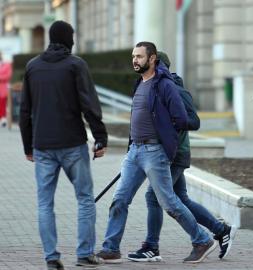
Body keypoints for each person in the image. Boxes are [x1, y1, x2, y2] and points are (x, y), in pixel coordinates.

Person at [96, 42, 216, 264]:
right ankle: (111, 248)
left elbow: (181, 119)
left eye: (139, 57)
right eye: (133, 56)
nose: (135, 60)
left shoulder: (165, 85)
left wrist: (163, 134)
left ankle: (201, 240)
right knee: (120, 199)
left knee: (169, 202)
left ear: (152, 59)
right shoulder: (139, 83)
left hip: (154, 151)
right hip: (135, 151)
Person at [126, 51, 237, 263]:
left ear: (158, 65)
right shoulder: (151, 86)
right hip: (163, 152)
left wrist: (166, 127)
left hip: (174, 153)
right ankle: (221, 230)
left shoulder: (173, 88)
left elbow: (193, 121)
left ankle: (152, 246)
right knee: (181, 198)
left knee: (154, 197)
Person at [19, 21, 107, 270]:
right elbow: (89, 104)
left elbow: (25, 110)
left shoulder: (32, 67)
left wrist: (28, 146)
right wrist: (100, 137)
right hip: (72, 145)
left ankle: (51, 257)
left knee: (45, 203)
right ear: (69, 39)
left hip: (42, 146)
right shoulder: (76, 65)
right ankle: (84, 254)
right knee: (85, 199)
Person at [0, 52, 12, 127]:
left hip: (3, 87)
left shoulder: (7, 65)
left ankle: (3, 118)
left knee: (3, 102)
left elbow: (8, 75)